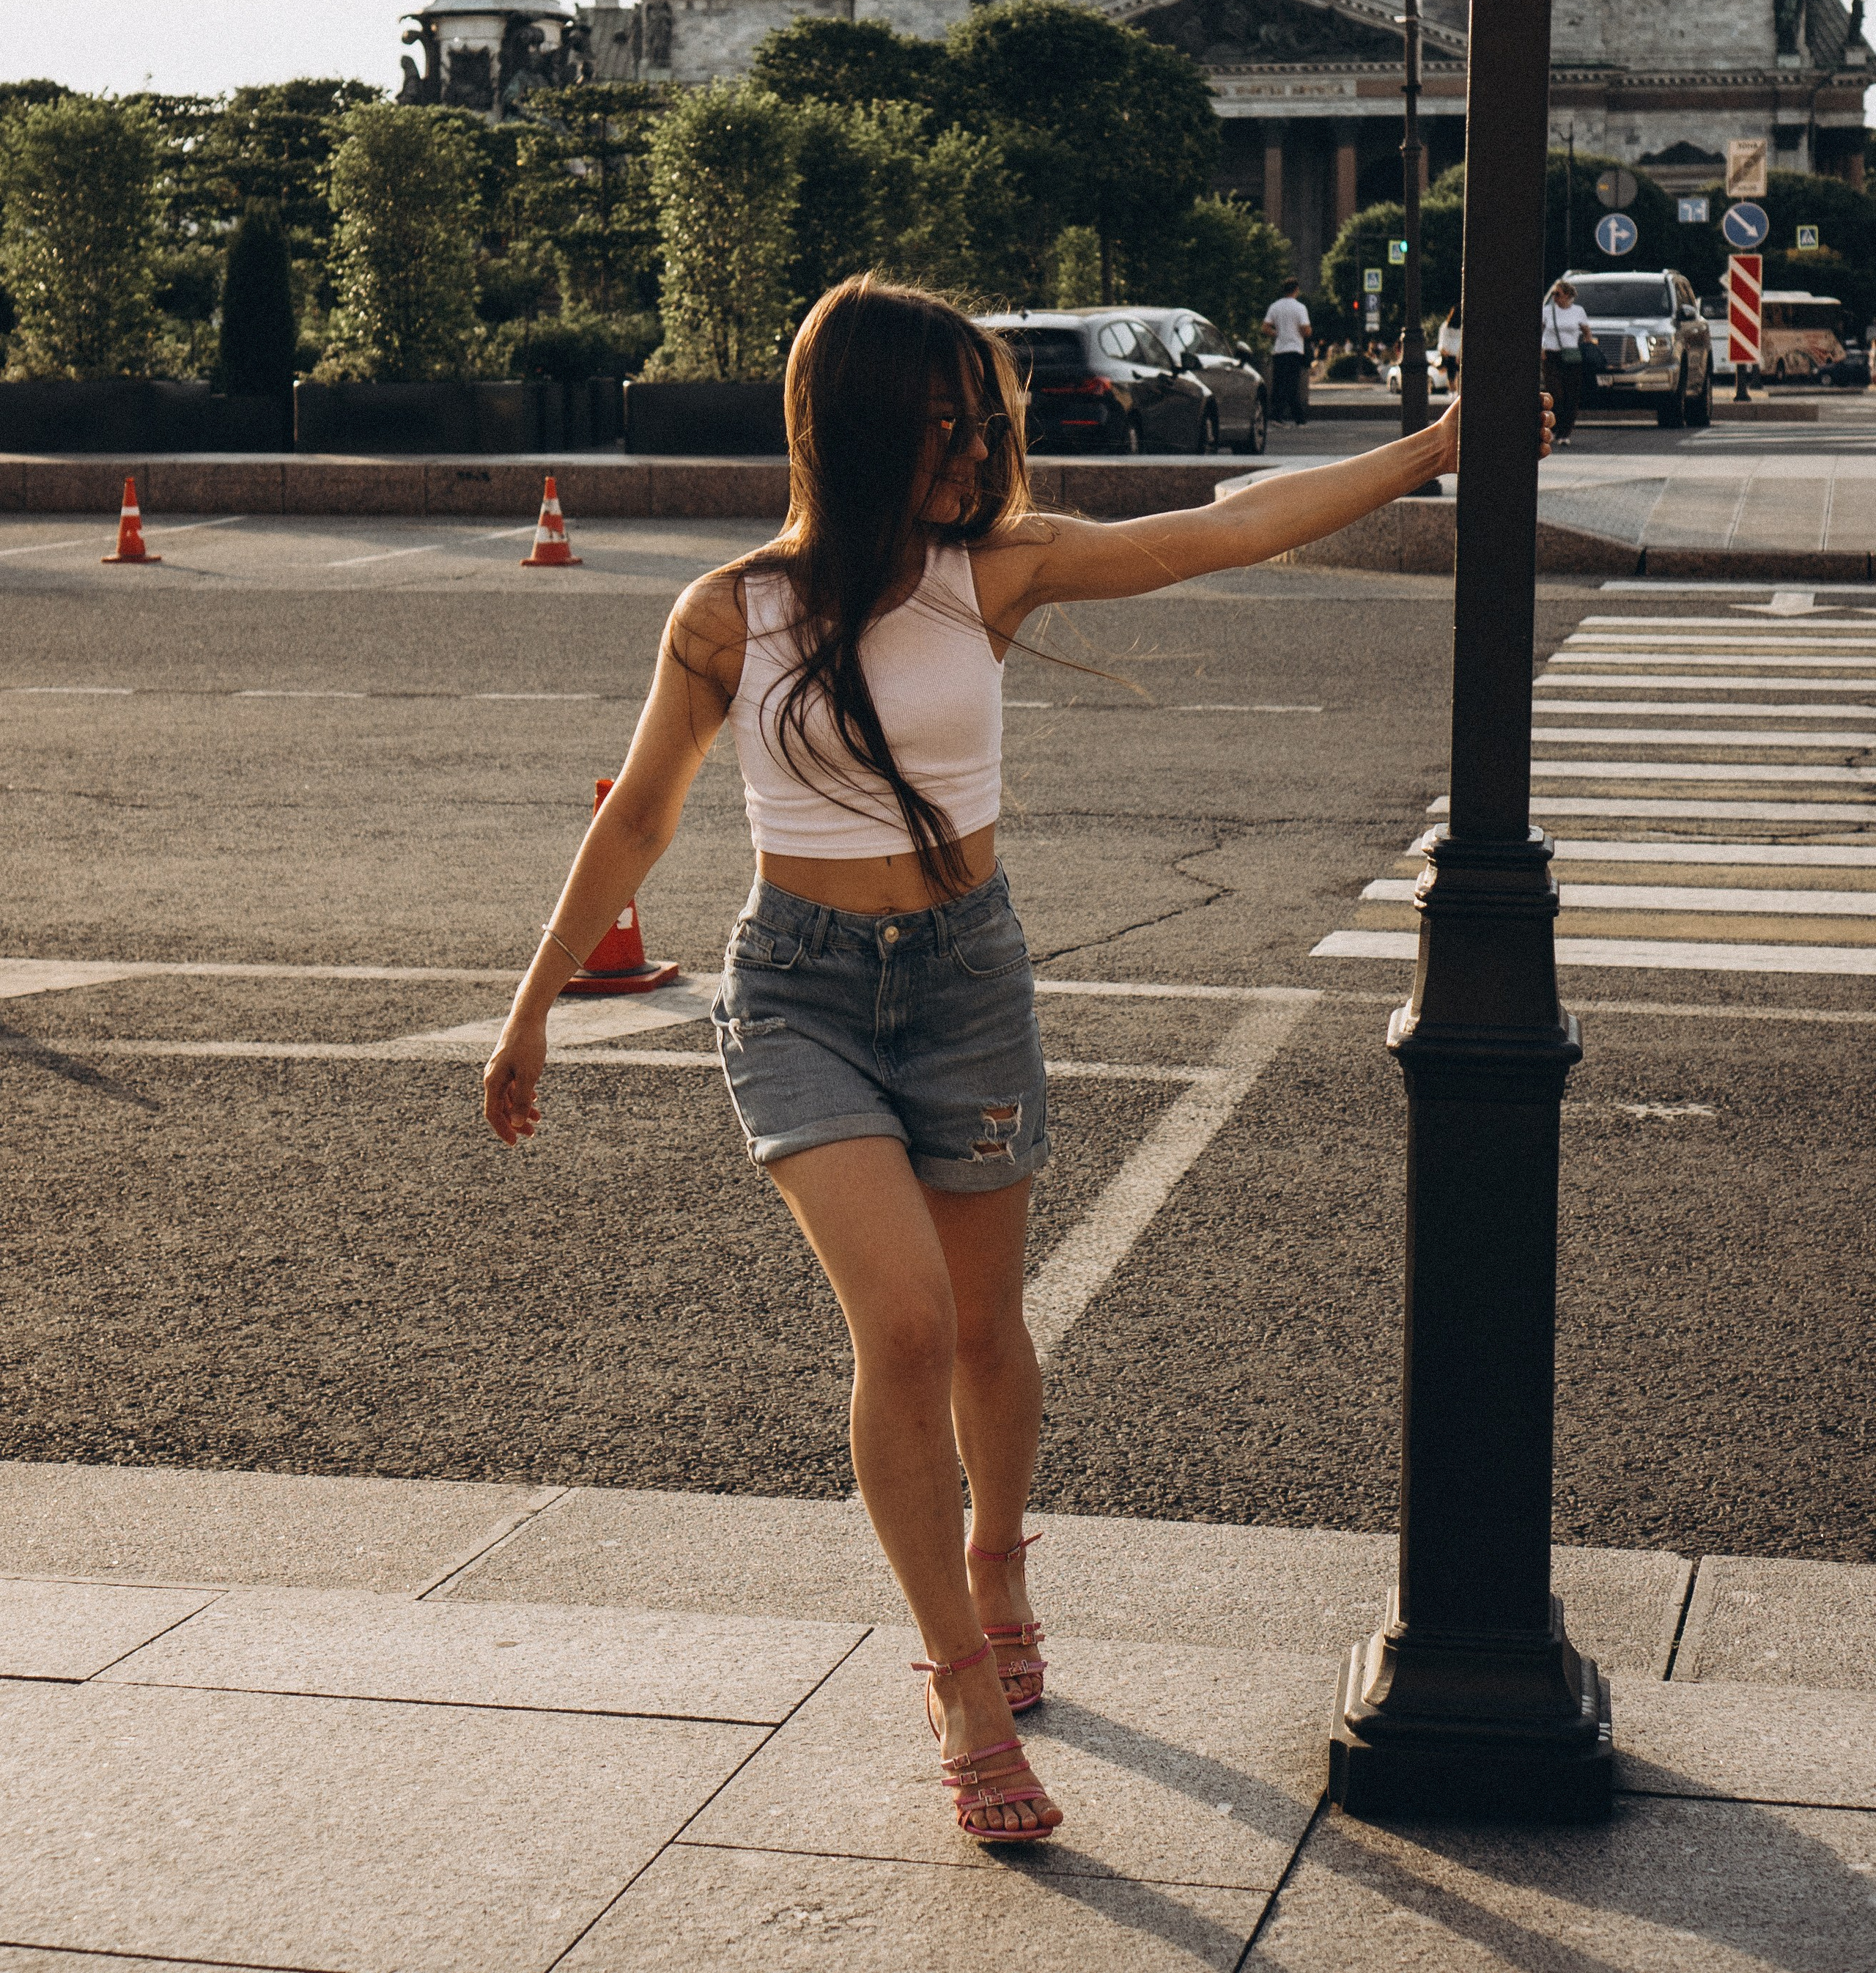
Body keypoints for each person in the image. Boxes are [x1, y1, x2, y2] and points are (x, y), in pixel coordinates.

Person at [481, 276, 1472, 1854]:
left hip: (961, 983)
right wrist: (535, 1003)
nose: (973, 449)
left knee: (989, 1334)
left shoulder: (992, 573)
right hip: (797, 989)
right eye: (941, 423)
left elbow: (1222, 527)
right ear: (856, 430)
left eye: (984, 420)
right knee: (906, 1321)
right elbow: (644, 814)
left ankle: (998, 1562)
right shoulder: (729, 612)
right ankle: (958, 1680)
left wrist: (1429, 446)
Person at [1542, 278, 1590, 444]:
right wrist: (1541, 348)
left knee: (1571, 395)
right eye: (1553, 294)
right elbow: (1540, 330)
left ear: (1568, 295)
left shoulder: (1578, 311)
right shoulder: (1548, 311)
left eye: (1558, 294)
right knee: (1556, 394)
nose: (1555, 297)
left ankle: (1565, 433)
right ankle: (1554, 428)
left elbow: (1586, 331)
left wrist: (1587, 343)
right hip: (1551, 356)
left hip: (1572, 357)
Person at [1263, 276, 1312, 426]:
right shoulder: (1299, 308)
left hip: (1279, 350)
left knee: (1278, 384)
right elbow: (1306, 330)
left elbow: (1265, 327)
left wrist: (1278, 333)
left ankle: (1277, 416)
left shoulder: (1275, 307)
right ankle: (1298, 418)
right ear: (1296, 290)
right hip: (1295, 350)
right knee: (1292, 385)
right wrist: (1305, 332)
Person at [1437, 304, 1463, 392]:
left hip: (1449, 354)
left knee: (1451, 377)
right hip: (1459, 354)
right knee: (1460, 377)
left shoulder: (1445, 326)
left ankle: (1453, 393)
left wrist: (1443, 351)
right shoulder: (1462, 327)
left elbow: (1442, 341)